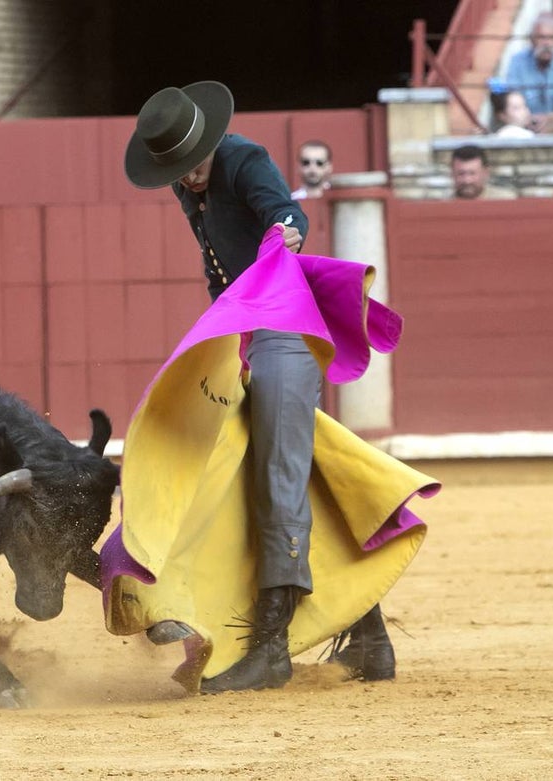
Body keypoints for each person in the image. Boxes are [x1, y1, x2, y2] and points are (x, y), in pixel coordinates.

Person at [124, 81, 397, 692]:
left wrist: (285, 233)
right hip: (248, 334)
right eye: (175, 170)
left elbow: (286, 213)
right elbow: (216, 266)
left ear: (209, 142)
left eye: (192, 165)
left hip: (288, 329)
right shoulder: (183, 180)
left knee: (276, 479)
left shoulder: (243, 158)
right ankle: (372, 638)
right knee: (286, 477)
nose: (188, 179)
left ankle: (270, 649)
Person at [450, 145, 515, 200]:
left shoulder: (505, 200)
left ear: (485, 173)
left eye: (472, 173)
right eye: (461, 174)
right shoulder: (444, 205)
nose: (467, 181)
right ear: (452, 174)